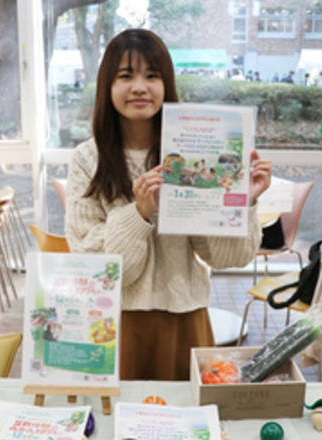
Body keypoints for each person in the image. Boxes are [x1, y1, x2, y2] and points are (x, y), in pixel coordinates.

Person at [64, 29, 272, 381]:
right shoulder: (87, 159)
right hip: (114, 321)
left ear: (166, 85)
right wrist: (138, 214)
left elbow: (226, 257)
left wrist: (242, 201)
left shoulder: (193, 152)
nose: (139, 87)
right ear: (106, 85)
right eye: (126, 76)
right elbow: (91, 260)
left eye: (152, 75)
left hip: (185, 317)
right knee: (120, 415)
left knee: (187, 413)